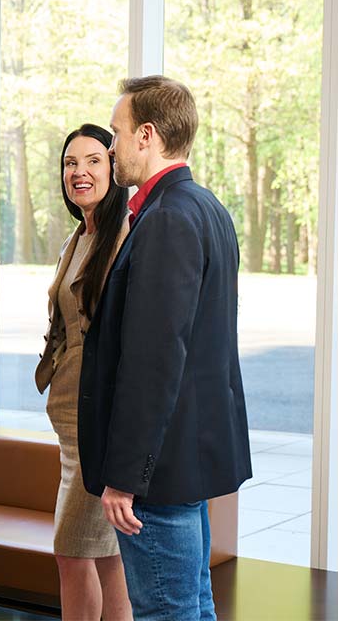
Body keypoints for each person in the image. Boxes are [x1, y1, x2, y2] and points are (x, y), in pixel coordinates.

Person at [78, 76, 252, 620]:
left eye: (117, 132)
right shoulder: (206, 208)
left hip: (158, 471)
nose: (111, 147)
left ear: (146, 136)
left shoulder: (168, 218)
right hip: (185, 460)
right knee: (193, 606)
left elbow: (155, 361)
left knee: (166, 612)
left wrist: (125, 476)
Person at [35, 124, 132, 620]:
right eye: (71, 163)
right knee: (106, 557)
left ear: (114, 168)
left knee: (72, 551)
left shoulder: (123, 236)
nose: (80, 172)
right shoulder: (79, 236)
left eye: (93, 160)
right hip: (70, 421)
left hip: (100, 425)